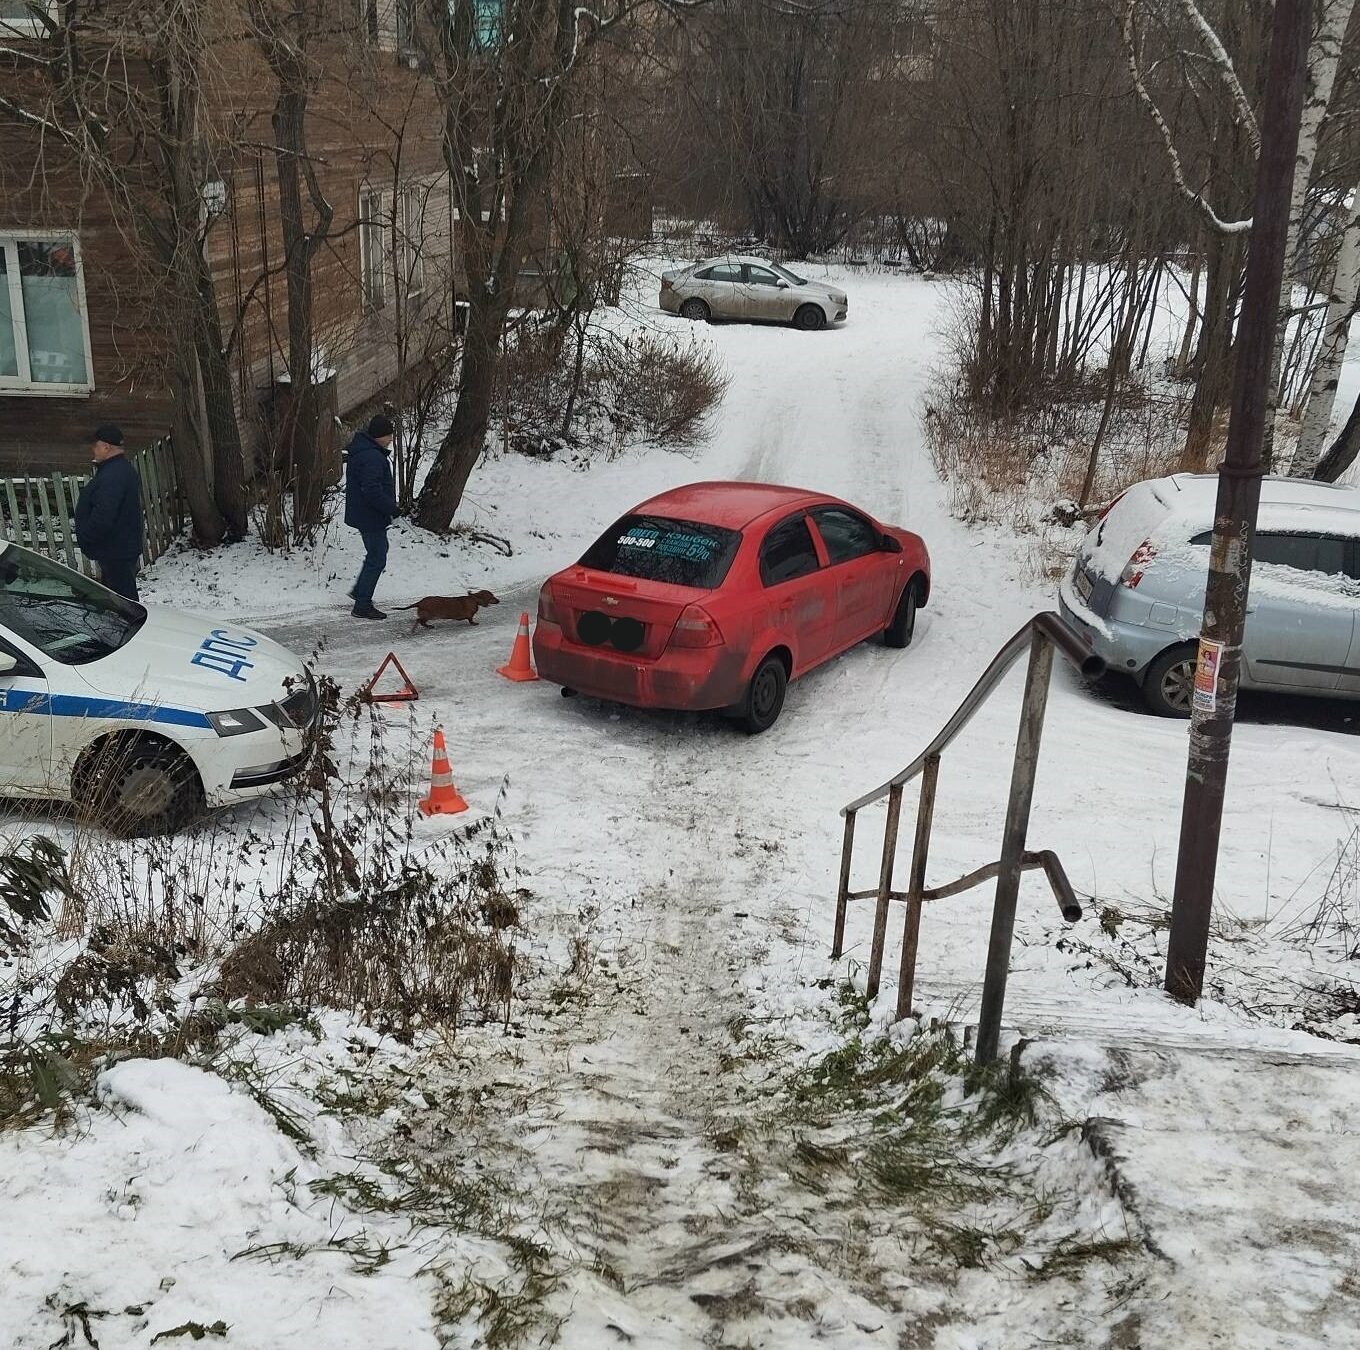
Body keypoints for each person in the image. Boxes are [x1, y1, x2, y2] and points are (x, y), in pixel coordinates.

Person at [73, 424, 143, 602]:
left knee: (124, 605)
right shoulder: (118, 470)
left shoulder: (113, 475)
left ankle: (137, 628)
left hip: (115, 552)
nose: (93, 449)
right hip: (118, 550)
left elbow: (104, 515)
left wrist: (87, 537)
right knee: (117, 603)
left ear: (106, 447)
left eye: (95, 445)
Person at [344, 413, 398, 620]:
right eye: (388, 436)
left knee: (377, 552)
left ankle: (360, 591)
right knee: (377, 557)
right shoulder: (372, 457)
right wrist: (391, 508)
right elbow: (372, 490)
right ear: (378, 436)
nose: (391, 439)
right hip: (370, 515)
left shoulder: (365, 451)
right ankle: (362, 605)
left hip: (365, 513)